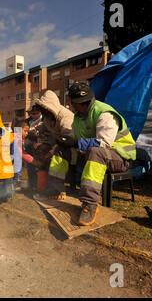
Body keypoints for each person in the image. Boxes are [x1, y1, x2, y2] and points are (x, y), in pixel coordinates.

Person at [39, 82, 136, 226]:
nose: (74, 106)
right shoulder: (78, 117)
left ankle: (89, 203)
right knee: (61, 149)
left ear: (72, 102)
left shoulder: (104, 113)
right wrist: (68, 141)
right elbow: (80, 139)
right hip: (92, 154)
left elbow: (103, 144)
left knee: (96, 152)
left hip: (119, 157)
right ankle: (56, 189)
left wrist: (76, 143)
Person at [31, 90, 75, 194]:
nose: (44, 113)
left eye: (45, 109)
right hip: (56, 145)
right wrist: (33, 131)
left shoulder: (65, 117)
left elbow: (67, 139)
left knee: (57, 154)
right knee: (40, 150)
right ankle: (42, 184)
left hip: (69, 147)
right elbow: (43, 127)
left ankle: (57, 189)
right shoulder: (48, 117)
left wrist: (50, 152)